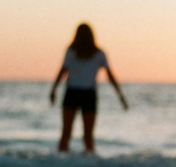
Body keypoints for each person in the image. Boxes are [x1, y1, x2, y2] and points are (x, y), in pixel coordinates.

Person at [49, 23, 128, 153]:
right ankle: (88, 166)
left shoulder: (73, 52)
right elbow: (111, 77)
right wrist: (120, 96)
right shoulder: (95, 53)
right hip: (87, 95)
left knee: (66, 134)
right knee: (88, 137)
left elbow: (62, 72)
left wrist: (53, 90)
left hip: (73, 93)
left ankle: (61, 165)